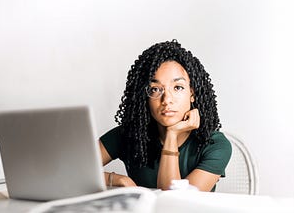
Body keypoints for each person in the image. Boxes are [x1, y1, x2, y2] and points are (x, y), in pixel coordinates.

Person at [99, 40, 232, 192]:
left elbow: (175, 204)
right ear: (145, 97)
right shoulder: (129, 134)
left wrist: (172, 135)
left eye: (178, 87)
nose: (167, 99)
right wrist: (117, 179)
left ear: (192, 94)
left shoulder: (215, 144)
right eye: (155, 89)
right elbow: (69, 170)